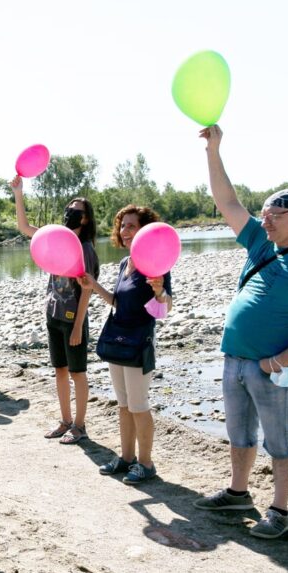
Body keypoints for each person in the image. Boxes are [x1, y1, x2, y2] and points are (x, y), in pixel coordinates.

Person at [192, 125, 288, 539]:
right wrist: (214, 151)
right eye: (264, 215)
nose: (265, 221)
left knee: (281, 440)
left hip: (275, 367)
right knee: (239, 434)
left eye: (274, 215)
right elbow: (226, 200)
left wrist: (281, 360)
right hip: (236, 360)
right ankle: (239, 493)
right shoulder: (262, 244)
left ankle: (279, 510)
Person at [78, 205, 173, 485]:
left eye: (131, 225)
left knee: (139, 406)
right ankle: (127, 457)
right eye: (122, 225)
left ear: (145, 229)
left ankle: (146, 463)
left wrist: (159, 291)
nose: (125, 231)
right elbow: (118, 302)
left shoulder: (156, 262)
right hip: (118, 339)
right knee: (123, 405)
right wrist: (93, 285)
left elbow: (165, 307)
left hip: (139, 342)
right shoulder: (124, 263)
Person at [10, 176, 99, 444]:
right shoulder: (55, 238)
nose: (70, 212)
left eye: (76, 210)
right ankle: (65, 421)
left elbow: (87, 290)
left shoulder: (86, 249)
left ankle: (80, 427)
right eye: (69, 208)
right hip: (53, 315)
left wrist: (77, 326)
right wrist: (18, 193)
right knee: (59, 370)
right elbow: (24, 227)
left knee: (77, 372)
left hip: (74, 319)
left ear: (85, 219)